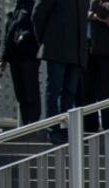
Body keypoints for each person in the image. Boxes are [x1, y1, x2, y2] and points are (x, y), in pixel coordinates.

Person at [32, 0, 89, 144]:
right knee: (54, 90)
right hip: (57, 50)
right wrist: (46, 40)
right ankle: (53, 129)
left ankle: (65, 129)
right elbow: (38, 14)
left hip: (76, 53)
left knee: (69, 94)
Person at [81, 0, 109, 132]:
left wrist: (91, 13)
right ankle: (90, 127)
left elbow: (104, 12)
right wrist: (92, 16)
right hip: (86, 50)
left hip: (105, 50)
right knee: (87, 91)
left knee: (105, 90)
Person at [0, 0, 42, 126]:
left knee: (31, 91)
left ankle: (33, 123)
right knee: (21, 94)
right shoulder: (16, 9)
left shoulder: (32, 6)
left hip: (28, 56)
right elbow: (9, 34)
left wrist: (25, 36)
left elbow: (38, 27)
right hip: (15, 57)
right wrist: (3, 58)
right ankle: (25, 123)